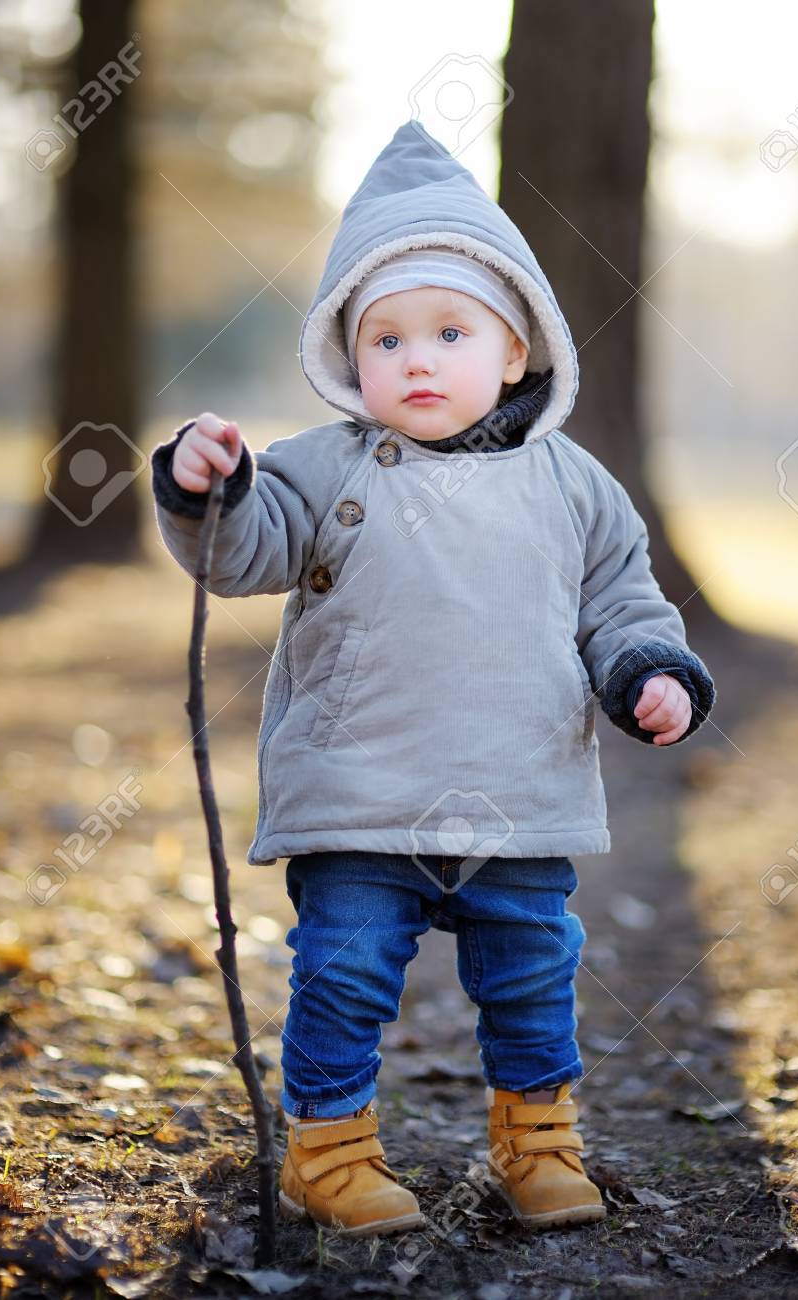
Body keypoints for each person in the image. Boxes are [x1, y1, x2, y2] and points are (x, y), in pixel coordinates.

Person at [150, 119, 716, 1239]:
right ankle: (328, 1145)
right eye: (386, 337)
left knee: (530, 975)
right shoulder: (324, 467)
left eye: (449, 331)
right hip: (360, 794)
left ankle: (536, 1137)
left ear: (514, 351)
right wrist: (203, 486)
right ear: (347, 356)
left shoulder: (575, 483)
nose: (415, 359)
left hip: (519, 794)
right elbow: (245, 554)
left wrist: (650, 671)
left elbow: (619, 601)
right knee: (345, 970)